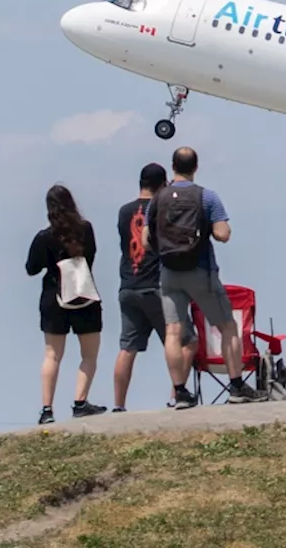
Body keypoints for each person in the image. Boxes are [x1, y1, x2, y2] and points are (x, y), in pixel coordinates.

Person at [144, 146, 264, 407]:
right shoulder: (207, 197)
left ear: (173, 166)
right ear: (195, 167)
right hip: (200, 271)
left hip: (168, 273)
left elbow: (145, 240)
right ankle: (236, 386)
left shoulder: (158, 199)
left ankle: (180, 392)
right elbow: (222, 233)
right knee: (227, 327)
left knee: (173, 332)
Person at [113, 163, 199, 412]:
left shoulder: (123, 211)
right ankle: (177, 395)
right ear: (163, 184)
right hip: (158, 286)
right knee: (186, 341)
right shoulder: (162, 209)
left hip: (129, 285)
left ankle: (119, 404)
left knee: (127, 348)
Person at [25, 185, 108, 424]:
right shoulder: (86, 229)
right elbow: (90, 257)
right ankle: (80, 402)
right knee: (89, 355)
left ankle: (47, 410)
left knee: (52, 355)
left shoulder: (45, 236)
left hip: (54, 297)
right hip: (84, 295)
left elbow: (31, 268)